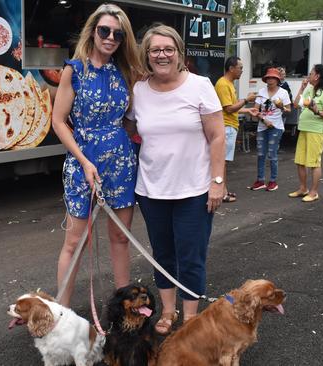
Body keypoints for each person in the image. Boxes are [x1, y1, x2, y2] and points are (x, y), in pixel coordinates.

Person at [124, 24, 224, 335]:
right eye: (155, 50)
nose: (162, 55)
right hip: (152, 190)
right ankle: (167, 311)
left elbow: (217, 135)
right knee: (163, 254)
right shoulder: (139, 90)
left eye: (169, 49)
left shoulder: (200, 85)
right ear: (147, 55)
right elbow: (128, 131)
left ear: (179, 53)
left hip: (194, 190)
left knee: (191, 256)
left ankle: (191, 317)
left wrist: (217, 181)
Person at [51, 3, 143, 307]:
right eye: (105, 30)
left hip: (120, 161)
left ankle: (125, 311)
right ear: (92, 32)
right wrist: (84, 160)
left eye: (117, 34)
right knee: (76, 242)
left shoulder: (126, 72)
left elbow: (130, 118)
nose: (110, 37)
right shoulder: (74, 70)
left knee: (120, 239)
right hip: (82, 162)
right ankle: (61, 313)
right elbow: (58, 120)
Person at [289, 64, 323, 202]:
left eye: (311, 73)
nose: (308, 75)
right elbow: (296, 104)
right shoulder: (309, 89)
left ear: (317, 76)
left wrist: (317, 111)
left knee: (314, 163)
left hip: (316, 131)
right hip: (304, 128)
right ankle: (303, 188)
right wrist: (302, 88)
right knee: (300, 161)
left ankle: (314, 192)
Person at [214, 56, 256, 202]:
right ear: (231, 68)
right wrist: (246, 100)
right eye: (240, 68)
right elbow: (229, 108)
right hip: (226, 127)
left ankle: (224, 190)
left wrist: (247, 111)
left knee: (224, 162)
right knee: (222, 162)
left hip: (230, 126)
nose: (242, 71)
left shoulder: (229, 84)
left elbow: (231, 108)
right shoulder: (223, 84)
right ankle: (222, 192)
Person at [250, 67, 291, 192]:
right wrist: (264, 120)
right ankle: (260, 180)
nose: (270, 80)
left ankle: (273, 181)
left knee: (272, 154)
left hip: (276, 127)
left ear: (278, 79)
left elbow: (289, 110)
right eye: (268, 77)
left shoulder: (283, 93)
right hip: (262, 126)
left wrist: (282, 107)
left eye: (273, 77)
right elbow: (255, 110)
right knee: (261, 154)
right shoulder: (262, 91)